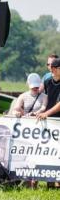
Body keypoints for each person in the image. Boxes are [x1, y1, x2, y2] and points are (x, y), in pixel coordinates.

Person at [37, 58, 60, 189]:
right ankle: (49, 183)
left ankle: (58, 182)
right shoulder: (47, 82)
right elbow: (43, 99)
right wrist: (38, 111)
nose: (51, 70)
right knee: (48, 151)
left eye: (55, 67)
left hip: (57, 120)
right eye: (51, 67)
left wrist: (47, 113)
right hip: (48, 122)